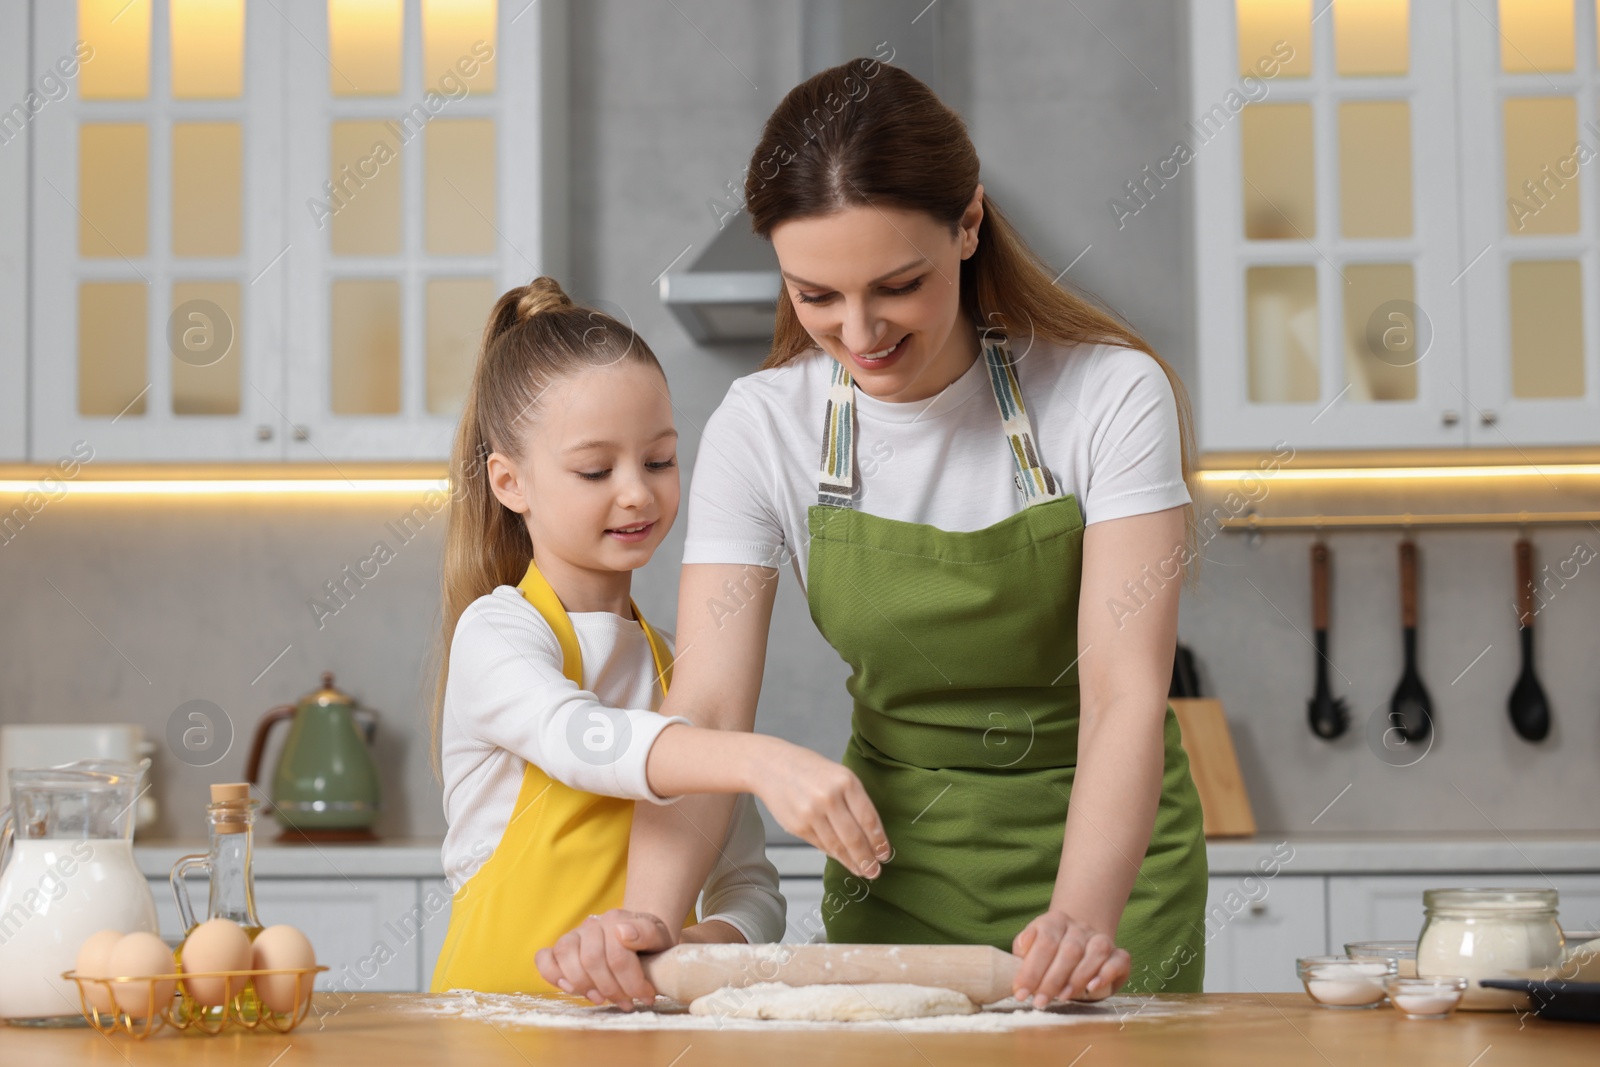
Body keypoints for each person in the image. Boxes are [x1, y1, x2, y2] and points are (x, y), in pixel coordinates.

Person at [540, 58, 1210, 1007]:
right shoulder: (762, 425)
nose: (859, 333)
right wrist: (649, 915)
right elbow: (712, 712)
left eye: (898, 285)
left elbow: (1123, 694)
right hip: (892, 865)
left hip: (1106, 870)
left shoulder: (1108, 395)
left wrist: (1079, 920)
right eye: (815, 296)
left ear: (968, 224)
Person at [428, 277, 793, 997]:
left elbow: (751, 888)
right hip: (493, 1040)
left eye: (659, 459)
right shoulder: (498, 634)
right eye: (596, 468)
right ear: (509, 481)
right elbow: (585, 740)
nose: (638, 491)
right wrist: (760, 758)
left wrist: (689, 942)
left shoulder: (678, 669)